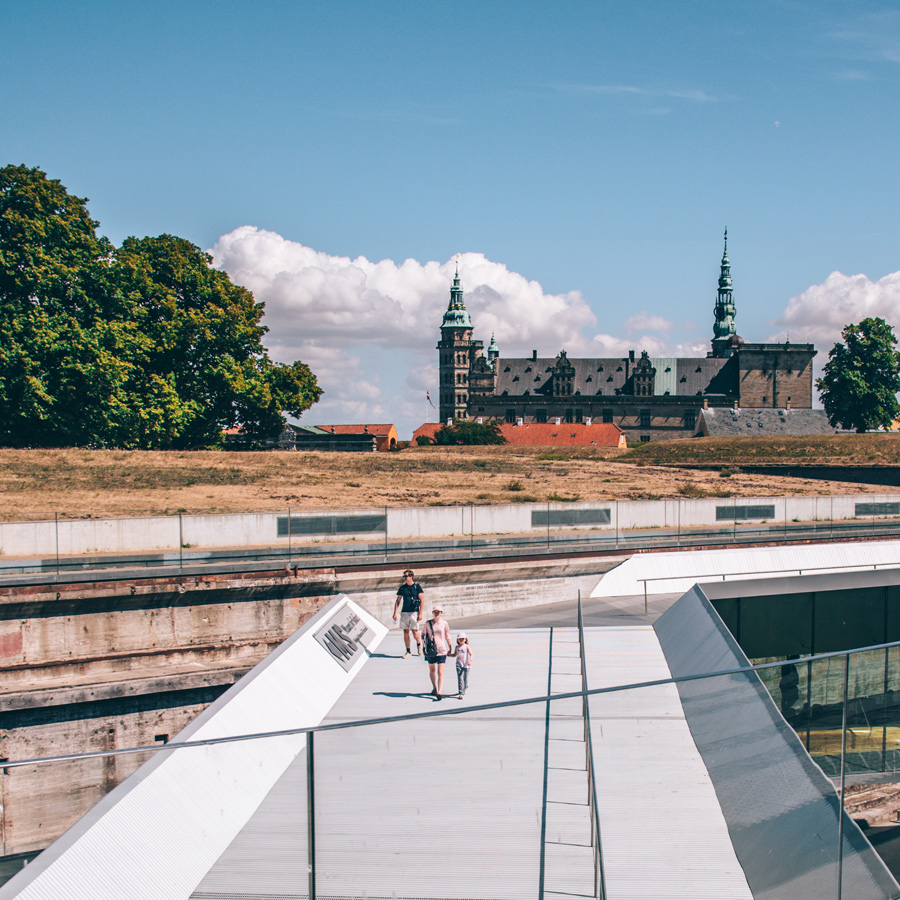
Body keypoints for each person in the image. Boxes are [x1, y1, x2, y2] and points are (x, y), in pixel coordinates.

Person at [393, 569, 424, 658]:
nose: (404, 578)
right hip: (404, 612)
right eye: (404, 576)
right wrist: (395, 613)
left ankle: (419, 645)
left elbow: (422, 600)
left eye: (406, 576)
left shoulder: (417, 586)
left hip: (414, 611)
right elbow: (398, 600)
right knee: (406, 632)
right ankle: (408, 651)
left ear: (411, 576)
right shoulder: (402, 588)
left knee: (415, 632)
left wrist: (420, 613)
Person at [422, 604, 451, 700]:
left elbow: (447, 635)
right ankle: (434, 687)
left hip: (442, 649)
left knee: (440, 671)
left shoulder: (444, 623)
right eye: (435, 612)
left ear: (441, 613)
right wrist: (423, 645)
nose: (436, 613)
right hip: (431, 650)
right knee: (432, 670)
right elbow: (423, 634)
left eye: (438, 612)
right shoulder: (428, 623)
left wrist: (450, 646)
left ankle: (439, 691)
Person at [451, 632, 473, 700]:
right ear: (457, 640)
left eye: (462, 639)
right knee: (460, 678)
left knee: (465, 679)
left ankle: (465, 687)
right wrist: (449, 655)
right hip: (459, 664)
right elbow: (455, 655)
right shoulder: (457, 647)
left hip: (466, 664)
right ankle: (461, 692)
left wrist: (470, 660)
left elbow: (471, 654)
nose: (461, 640)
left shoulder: (467, 646)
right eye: (459, 639)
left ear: (465, 639)